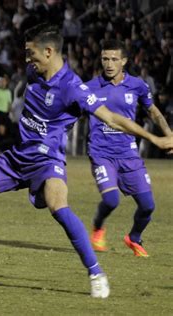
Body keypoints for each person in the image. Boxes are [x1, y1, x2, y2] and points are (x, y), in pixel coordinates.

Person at [0, 23, 173, 298]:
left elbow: (112, 117)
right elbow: (15, 80)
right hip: (16, 158)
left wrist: (153, 139)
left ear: (49, 52)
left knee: (59, 208)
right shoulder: (33, 71)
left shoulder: (73, 88)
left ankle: (96, 273)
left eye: (31, 53)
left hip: (48, 163)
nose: (27, 59)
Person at [86, 40, 172, 257]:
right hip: (101, 152)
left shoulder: (138, 85)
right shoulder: (89, 88)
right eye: (105, 58)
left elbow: (153, 112)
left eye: (114, 59)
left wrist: (169, 135)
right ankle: (97, 228)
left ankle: (134, 238)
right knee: (111, 199)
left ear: (124, 61)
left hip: (128, 153)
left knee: (148, 206)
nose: (109, 63)